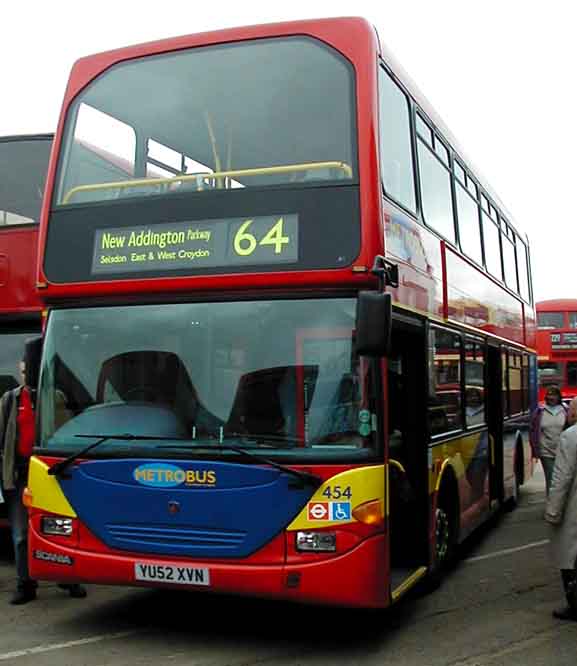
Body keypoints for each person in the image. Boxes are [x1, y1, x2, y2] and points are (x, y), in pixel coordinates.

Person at [0, 357, 87, 605]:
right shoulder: (10, 400)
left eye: (32, 371)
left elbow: (66, 431)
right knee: (20, 535)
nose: (28, 375)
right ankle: (25, 584)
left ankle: (68, 579)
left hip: (49, 473)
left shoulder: (55, 397)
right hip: (20, 474)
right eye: (24, 372)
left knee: (61, 528)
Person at [545, 396, 577, 621]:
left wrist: (553, 512)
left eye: (572, 409)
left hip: (574, 510)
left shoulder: (570, 436)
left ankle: (574, 605)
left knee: (569, 557)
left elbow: (561, 478)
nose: (569, 412)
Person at [530, 385, 568, 495]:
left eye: (554, 394)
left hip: (563, 451)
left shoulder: (565, 410)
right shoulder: (539, 411)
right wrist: (535, 449)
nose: (551, 397)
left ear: (558, 397)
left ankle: (561, 503)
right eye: (549, 394)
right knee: (551, 479)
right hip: (545, 451)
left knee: (562, 479)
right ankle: (551, 506)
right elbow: (533, 431)